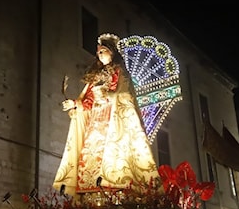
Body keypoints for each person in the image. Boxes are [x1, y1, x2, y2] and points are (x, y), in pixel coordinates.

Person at [53, 33, 160, 197]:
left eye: (103, 50)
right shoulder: (95, 77)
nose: (99, 54)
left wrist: (107, 96)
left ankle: (115, 193)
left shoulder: (119, 72)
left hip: (114, 122)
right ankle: (91, 196)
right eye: (98, 52)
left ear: (112, 52)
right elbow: (88, 100)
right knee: (89, 159)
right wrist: (75, 104)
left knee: (113, 160)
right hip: (95, 123)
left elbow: (124, 95)